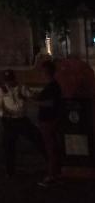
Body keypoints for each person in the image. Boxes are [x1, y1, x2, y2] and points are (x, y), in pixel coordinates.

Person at [0, 69, 44, 177]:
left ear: (14, 79)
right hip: (9, 121)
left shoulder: (22, 88)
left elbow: (32, 96)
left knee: (37, 138)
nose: (9, 82)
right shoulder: (2, 90)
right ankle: (10, 171)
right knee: (8, 147)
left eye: (10, 80)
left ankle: (50, 162)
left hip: (22, 119)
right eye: (7, 80)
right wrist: (3, 114)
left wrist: (34, 96)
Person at [36, 59, 62, 187]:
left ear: (46, 72)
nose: (41, 73)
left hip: (48, 121)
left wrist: (36, 102)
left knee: (50, 148)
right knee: (52, 147)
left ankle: (52, 175)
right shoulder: (53, 86)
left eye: (42, 71)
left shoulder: (52, 86)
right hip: (49, 120)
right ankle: (55, 172)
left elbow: (51, 103)